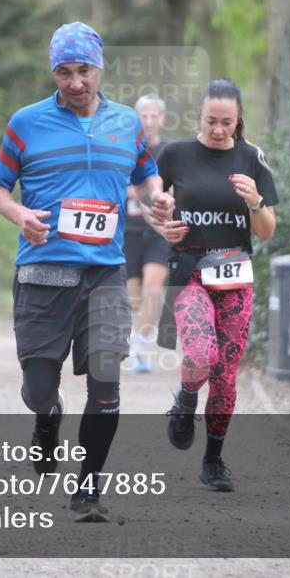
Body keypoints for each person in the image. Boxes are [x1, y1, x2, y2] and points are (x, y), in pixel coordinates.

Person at [0, 22, 174, 522]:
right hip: (44, 275)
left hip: (104, 275)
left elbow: (145, 173)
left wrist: (157, 199)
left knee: (108, 382)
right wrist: (19, 216)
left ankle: (88, 489)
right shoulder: (26, 123)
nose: (74, 82)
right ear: (53, 72)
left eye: (83, 70)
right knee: (38, 390)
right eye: (64, 72)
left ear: (99, 68)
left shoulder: (126, 123)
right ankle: (48, 419)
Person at [156, 78, 277, 492]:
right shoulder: (174, 154)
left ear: (239, 118)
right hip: (190, 273)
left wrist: (254, 202)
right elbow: (153, 205)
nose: (219, 129)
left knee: (226, 376)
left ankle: (213, 461)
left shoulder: (252, 158)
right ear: (199, 116)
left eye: (227, 122)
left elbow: (266, 231)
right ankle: (186, 399)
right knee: (201, 353)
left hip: (236, 278)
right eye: (211, 121)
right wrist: (163, 224)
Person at [123, 94, 172, 374]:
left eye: (155, 116)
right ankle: (131, 339)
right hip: (128, 231)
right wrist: (141, 191)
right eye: (145, 116)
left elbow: (176, 187)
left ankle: (139, 350)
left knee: (153, 291)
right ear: (136, 120)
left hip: (157, 231)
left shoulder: (169, 153)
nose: (150, 121)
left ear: (162, 119)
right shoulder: (124, 149)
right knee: (134, 299)